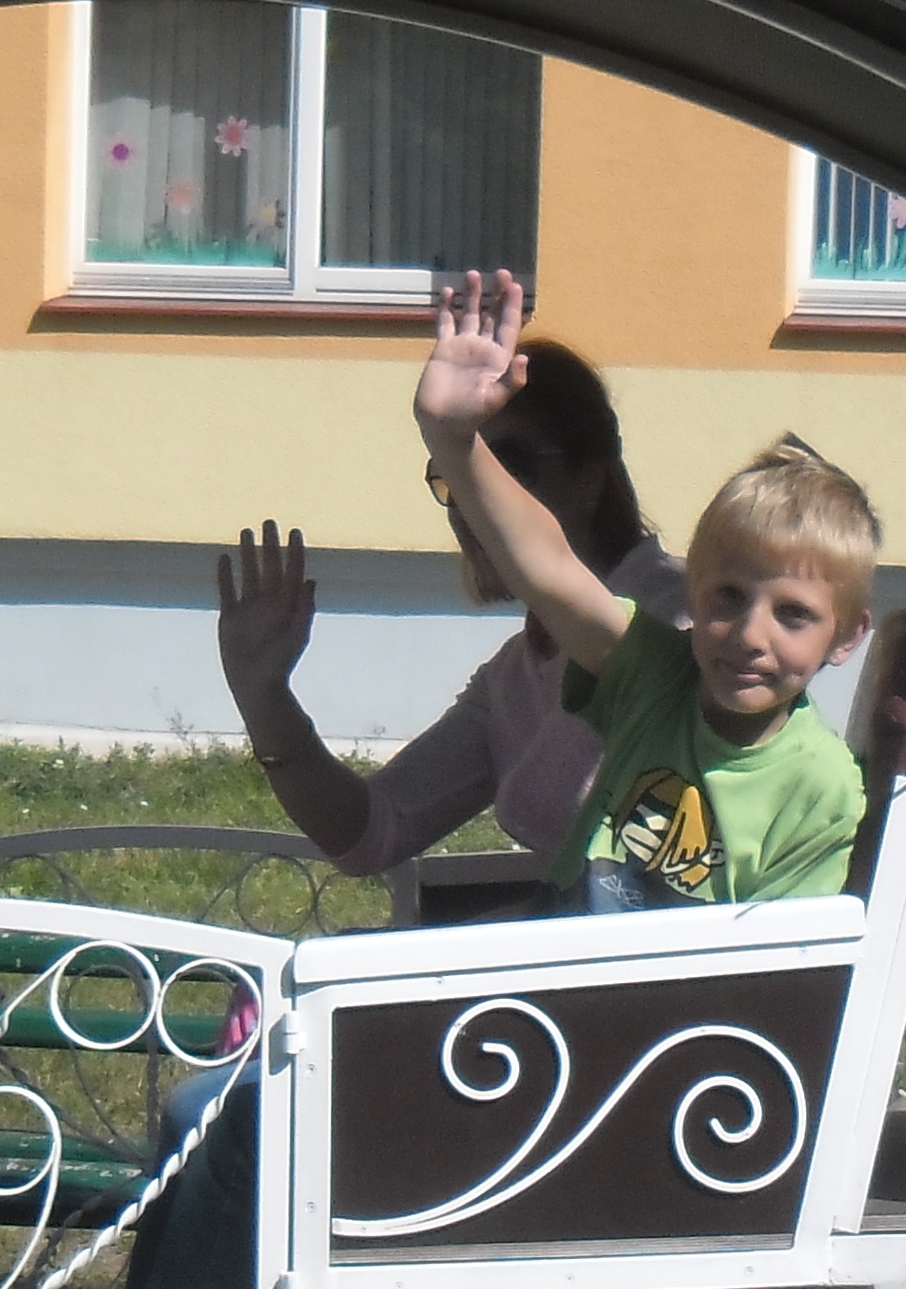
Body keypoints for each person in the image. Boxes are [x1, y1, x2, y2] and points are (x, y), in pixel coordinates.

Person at [414, 270, 876, 910]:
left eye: (794, 615)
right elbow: (547, 566)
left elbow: (782, 959)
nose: (750, 635)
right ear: (693, 590)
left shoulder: (822, 787)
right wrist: (451, 439)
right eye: (727, 597)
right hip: (557, 952)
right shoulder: (650, 674)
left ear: (847, 636)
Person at [212, 331, 684, 884]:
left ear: (589, 480)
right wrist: (264, 697)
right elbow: (372, 834)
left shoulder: (683, 619)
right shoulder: (515, 675)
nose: (470, 501)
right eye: (454, 477)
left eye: (508, 466)